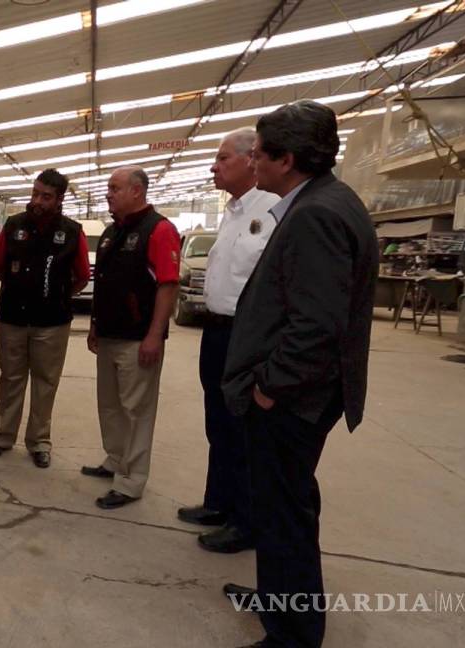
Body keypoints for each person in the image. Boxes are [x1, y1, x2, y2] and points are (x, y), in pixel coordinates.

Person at [222, 100, 378, 648]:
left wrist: (270, 388)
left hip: (294, 400)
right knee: (280, 505)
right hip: (299, 395)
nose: (254, 162)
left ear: (286, 159)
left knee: (286, 511)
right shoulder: (324, 200)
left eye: (261, 154)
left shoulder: (316, 213)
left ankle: (293, 633)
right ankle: (276, 599)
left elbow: (315, 324)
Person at [177, 129, 278, 553]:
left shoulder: (272, 209)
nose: (213, 167)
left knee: (242, 428)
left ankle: (246, 521)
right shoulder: (233, 211)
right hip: (216, 331)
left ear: (250, 160)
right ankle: (218, 502)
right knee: (218, 421)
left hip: (247, 334)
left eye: (221, 159)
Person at [82, 166, 179, 509]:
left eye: (114, 188)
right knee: (109, 405)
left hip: (139, 338)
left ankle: (132, 480)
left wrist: (155, 335)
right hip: (109, 335)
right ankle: (115, 458)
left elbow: (168, 286)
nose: (108, 193)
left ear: (137, 191)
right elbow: (105, 285)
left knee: (136, 409)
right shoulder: (111, 232)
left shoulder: (159, 229)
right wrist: (95, 324)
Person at [0, 169, 90, 469]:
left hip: (53, 322)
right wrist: (19, 290)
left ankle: (39, 441)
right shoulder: (14, 225)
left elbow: (81, 277)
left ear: (59, 200)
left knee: (45, 382)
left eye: (45, 196)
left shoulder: (71, 231)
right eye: (35, 193)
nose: (37, 201)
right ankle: (2, 436)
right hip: (12, 318)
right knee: (11, 378)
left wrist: (56, 296)